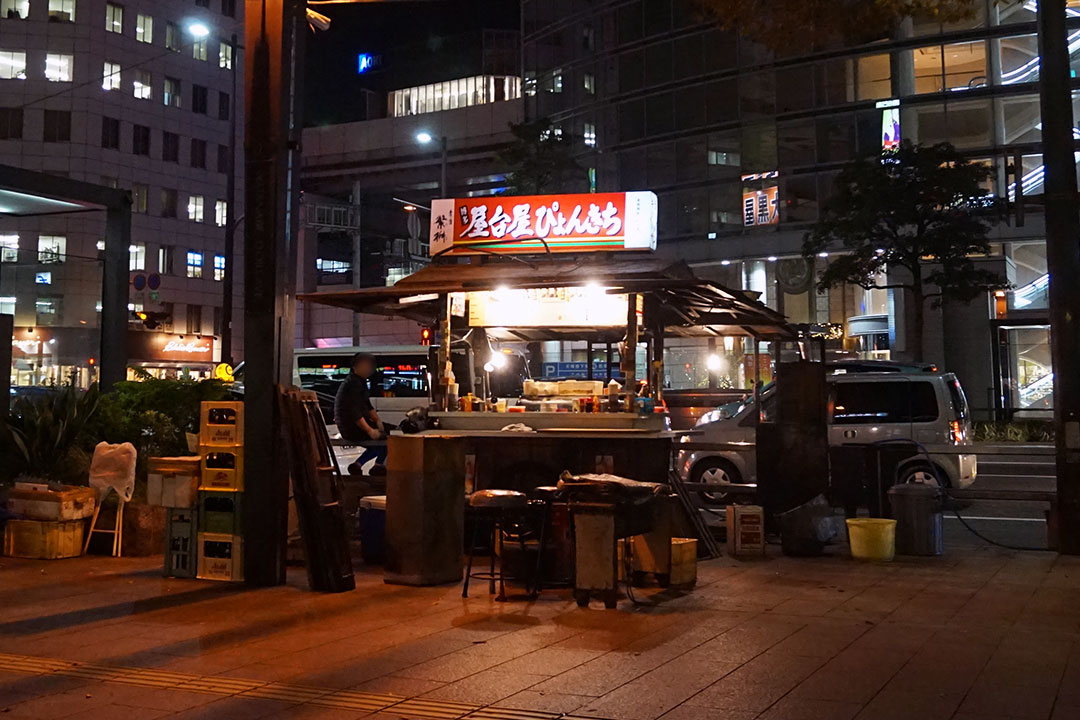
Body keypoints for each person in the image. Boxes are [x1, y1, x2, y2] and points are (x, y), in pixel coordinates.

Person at [334, 352, 387, 475]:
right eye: (365, 365)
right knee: (387, 438)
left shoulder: (359, 381)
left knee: (384, 436)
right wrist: (370, 431)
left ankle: (357, 465)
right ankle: (378, 467)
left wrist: (378, 421)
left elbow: (367, 406)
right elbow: (355, 412)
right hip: (350, 428)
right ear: (355, 367)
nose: (369, 369)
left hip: (350, 426)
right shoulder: (353, 383)